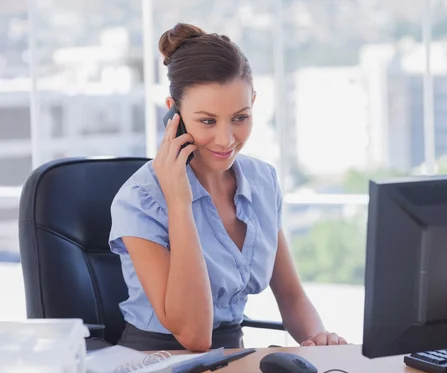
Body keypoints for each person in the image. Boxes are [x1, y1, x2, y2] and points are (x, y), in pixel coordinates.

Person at [108, 22, 348, 352]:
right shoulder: (141, 200)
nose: (226, 139)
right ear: (174, 113)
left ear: (253, 102)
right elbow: (194, 336)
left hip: (234, 359)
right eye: (208, 121)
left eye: (240, 117)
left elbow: (291, 298)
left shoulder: (262, 181)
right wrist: (180, 202)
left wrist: (320, 338)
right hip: (154, 363)